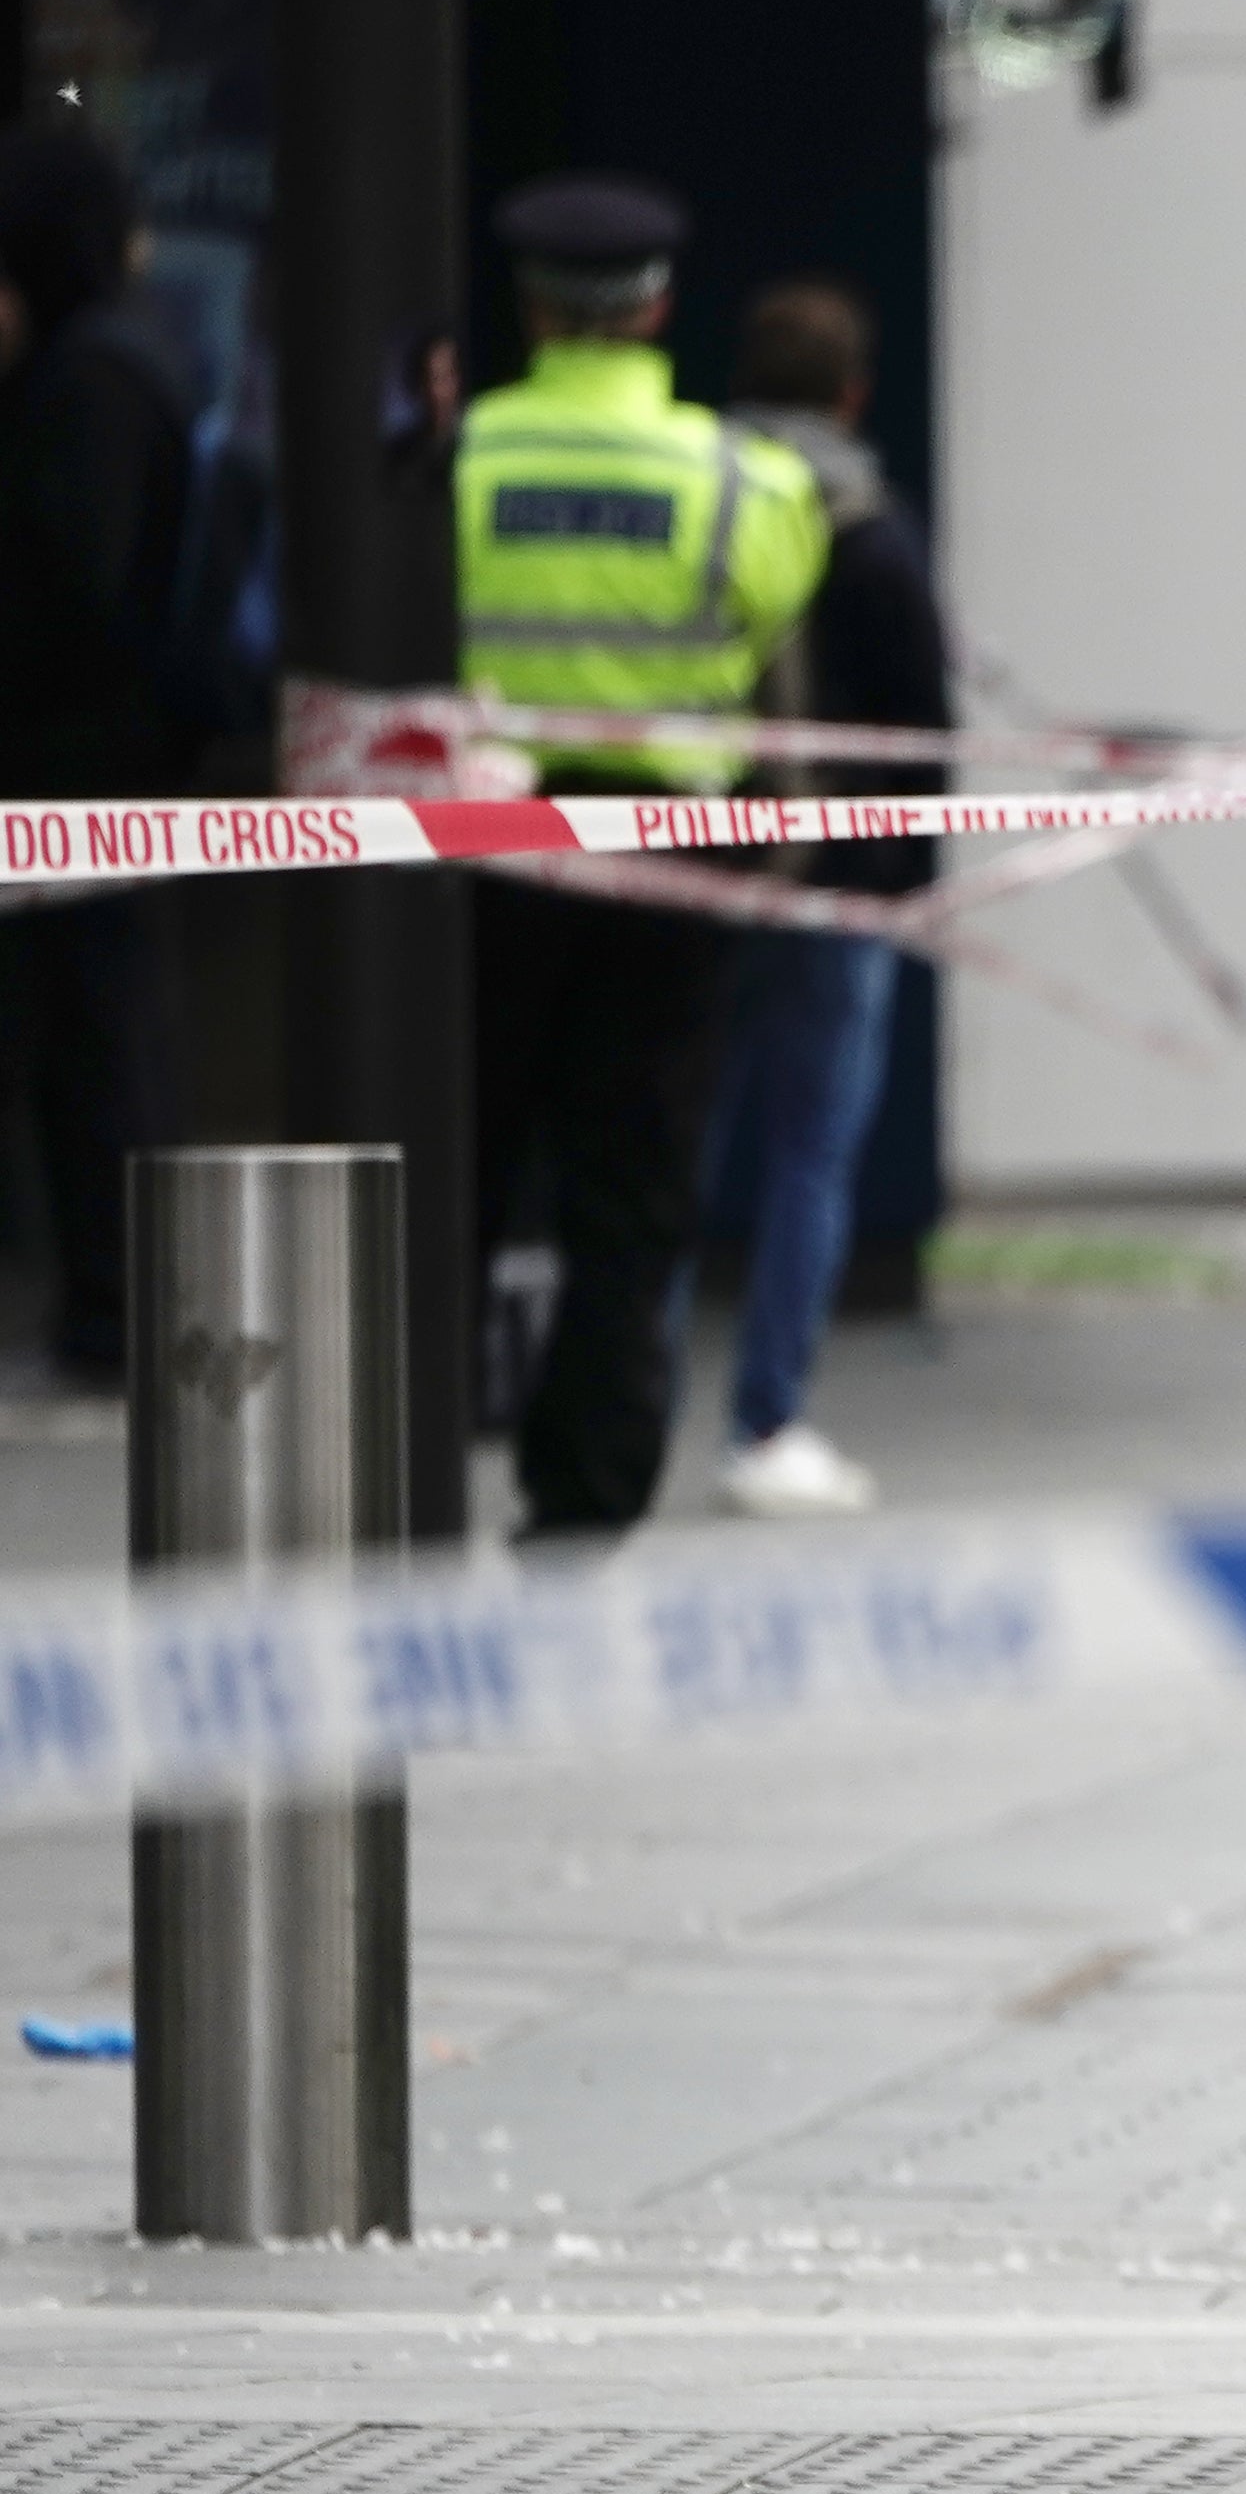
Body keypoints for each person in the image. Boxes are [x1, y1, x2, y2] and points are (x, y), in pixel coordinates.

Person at [457, 172, 826, 1540]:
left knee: (456, 1166)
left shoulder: (458, 460)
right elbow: (777, 663)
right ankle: (586, 1503)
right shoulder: (748, 483)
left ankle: (404, 1464)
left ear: (532, 307)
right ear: (660, 308)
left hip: (483, 852)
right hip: (670, 872)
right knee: (633, 1193)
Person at [702, 274, 950, 1520]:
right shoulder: (870, 526)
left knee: (665, 1153)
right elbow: (925, 725)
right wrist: (911, 887)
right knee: (809, 1159)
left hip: (687, 866)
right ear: (853, 392)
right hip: (839, 893)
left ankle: (615, 1416)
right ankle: (767, 1421)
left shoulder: (689, 505)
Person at [0, 118, 193, 1389]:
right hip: (90, 760)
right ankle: (103, 1300)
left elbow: (69, 584)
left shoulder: (92, 382)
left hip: (81, 768)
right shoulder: (100, 367)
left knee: (90, 1038)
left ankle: (115, 1309)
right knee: (82, 1033)